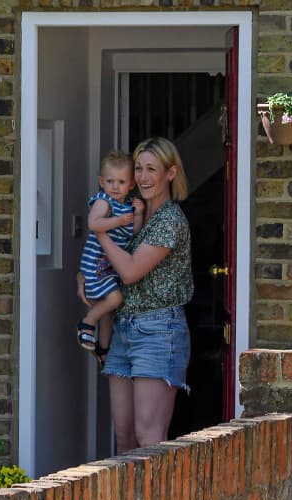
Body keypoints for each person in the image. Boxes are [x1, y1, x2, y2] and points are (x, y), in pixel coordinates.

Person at [91, 137, 193, 454]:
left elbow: (131, 271)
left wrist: (99, 231)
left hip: (158, 331)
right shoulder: (131, 214)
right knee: (123, 439)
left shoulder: (170, 221)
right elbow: (104, 264)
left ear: (170, 173)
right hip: (123, 329)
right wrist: (86, 275)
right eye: (138, 169)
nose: (144, 178)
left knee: (148, 439)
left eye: (152, 169)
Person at [75, 150, 145, 362]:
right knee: (115, 299)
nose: (115, 186)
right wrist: (118, 221)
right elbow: (94, 224)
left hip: (110, 267)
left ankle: (103, 350)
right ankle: (86, 323)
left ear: (131, 184)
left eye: (121, 181)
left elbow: (133, 234)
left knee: (108, 312)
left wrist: (138, 214)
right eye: (110, 181)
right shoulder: (103, 201)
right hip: (96, 265)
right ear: (101, 182)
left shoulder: (126, 206)